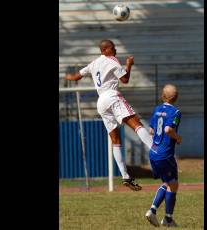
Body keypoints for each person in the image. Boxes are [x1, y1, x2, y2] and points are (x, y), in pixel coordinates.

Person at [64, 39, 153, 191]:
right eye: (112, 47)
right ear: (105, 50)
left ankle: (125, 176)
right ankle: (157, 150)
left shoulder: (94, 63)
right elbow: (125, 79)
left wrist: (67, 76)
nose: (115, 49)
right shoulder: (112, 60)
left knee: (115, 139)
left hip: (101, 102)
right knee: (136, 124)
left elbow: (76, 77)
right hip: (112, 96)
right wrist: (129, 65)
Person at [145, 84, 182, 227]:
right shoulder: (176, 112)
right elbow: (168, 129)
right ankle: (162, 215)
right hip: (165, 154)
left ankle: (164, 216)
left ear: (162, 96)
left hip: (153, 152)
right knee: (173, 184)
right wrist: (178, 138)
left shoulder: (157, 109)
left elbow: (151, 130)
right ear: (176, 97)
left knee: (168, 182)